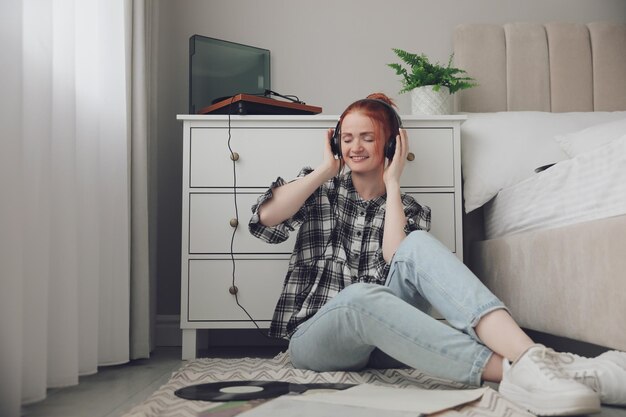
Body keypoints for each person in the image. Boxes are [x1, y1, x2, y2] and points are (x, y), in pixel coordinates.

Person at [248, 93, 626, 415]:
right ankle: (516, 373)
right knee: (360, 298)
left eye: (367, 137)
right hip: (314, 338)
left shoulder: (406, 207)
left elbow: (396, 253)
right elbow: (266, 219)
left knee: (416, 245)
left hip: (384, 344)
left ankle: (533, 360)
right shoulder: (319, 189)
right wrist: (325, 169)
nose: (355, 147)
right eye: (346, 138)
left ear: (390, 145)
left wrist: (393, 184)